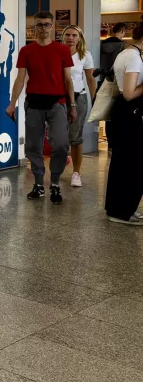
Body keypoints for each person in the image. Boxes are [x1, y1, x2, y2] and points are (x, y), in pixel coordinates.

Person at [6, 11, 77, 205]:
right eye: (39, 25)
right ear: (34, 27)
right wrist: (12, 104)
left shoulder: (62, 50)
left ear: (53, 27)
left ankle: (54, 182)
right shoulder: (26, 51)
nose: (43, 28)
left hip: (57, 103)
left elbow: (67, 79)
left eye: (46, 24)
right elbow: (20, 79)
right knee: (32, 146)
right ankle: (38, 184)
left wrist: (72, 105)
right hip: (34, 103)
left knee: (61, 145)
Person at [104, 19, 143, 226]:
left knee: (123, 163)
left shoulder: (125, 53)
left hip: (123, 115)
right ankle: (123, 211)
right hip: (131, 115)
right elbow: (129, 93)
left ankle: (119, 208)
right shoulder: (134, 58)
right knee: (133, 164)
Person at [62, 25, 95, 188]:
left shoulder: (85, 55)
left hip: (78, 96)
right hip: (59, 97)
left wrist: (95, 99)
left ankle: (76, 172)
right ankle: (59, 166)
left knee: (76, 137)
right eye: (67, 35)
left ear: (79, 37)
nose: (70, 38)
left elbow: (90, 79)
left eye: (74, 35)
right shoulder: (57, 52)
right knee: (58, 136)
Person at [97, 22, 126, 150]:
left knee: (107, 115)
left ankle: (109, 144)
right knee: (117, 114)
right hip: (117, 82)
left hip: (103, 81)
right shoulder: (122, 46)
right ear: (122, 31)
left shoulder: (101, 44)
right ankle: (117, 143)